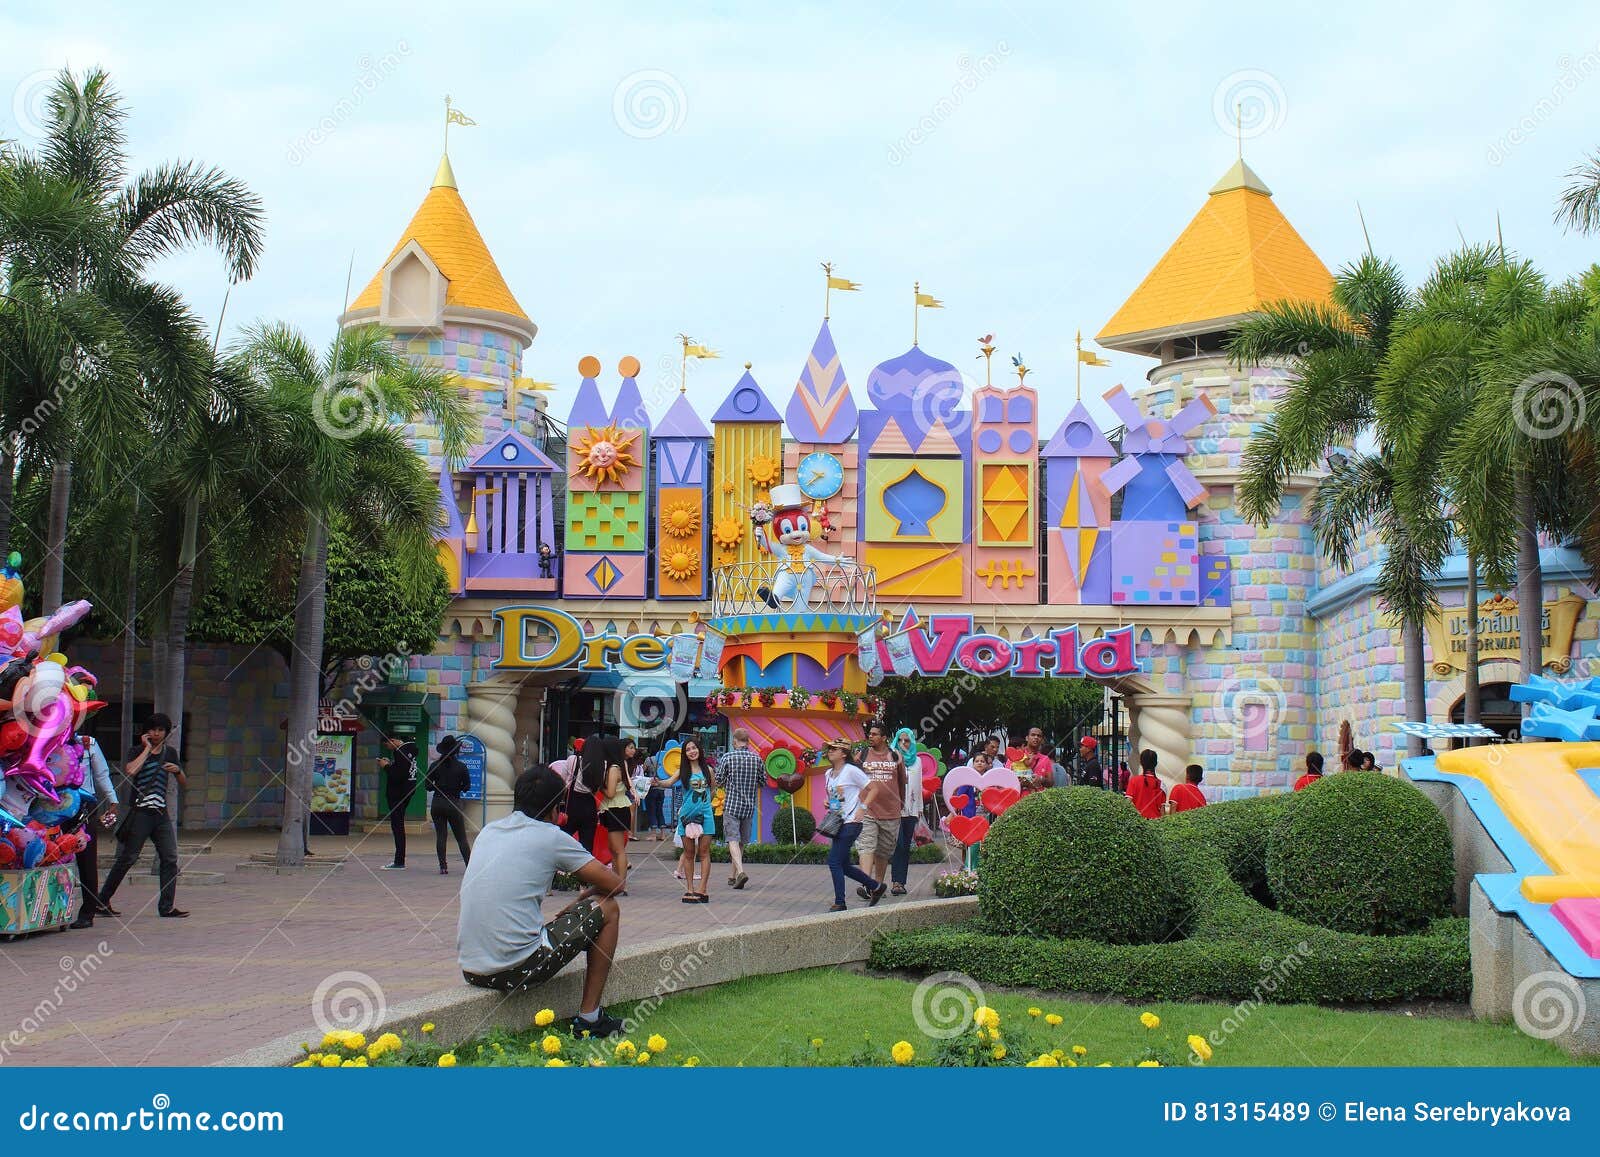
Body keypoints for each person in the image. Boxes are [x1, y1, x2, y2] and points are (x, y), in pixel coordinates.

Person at [457, 766, 625, 1037]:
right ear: (554, 809)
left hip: (472, 970)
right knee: (608, 908)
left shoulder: (488, 831)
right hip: (519, 969)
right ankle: (590, 1018)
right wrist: (585, 896)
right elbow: (616, 884)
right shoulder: (551, 836)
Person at [99, 713, 188, 918]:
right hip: (141, 813)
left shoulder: (170, 753)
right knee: (128, 858)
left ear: (166, 733)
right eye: (153, 730)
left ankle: (166, 907)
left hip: (161, 814)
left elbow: (184, 783)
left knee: (170, 857)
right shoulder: (137, 751)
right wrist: (147, 749)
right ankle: (102, 901)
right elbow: (131, 770)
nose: (156, 734)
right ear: (146, 732)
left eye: (160, 730)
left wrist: (177, 772)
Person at [67, 736, 119, 929]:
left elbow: (101, 774)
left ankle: (88, 912)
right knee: (53, 856)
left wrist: (112, 800)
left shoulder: (89, 743)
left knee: (87, 859)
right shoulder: (48, 740)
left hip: (84, 804)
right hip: (53, 803)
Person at [822, 739, 878, 911]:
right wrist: (829, 803)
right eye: (829, 748)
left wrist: (863, 807)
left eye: (834, 749)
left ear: (844, 753)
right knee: (843, 865)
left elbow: (874, 789)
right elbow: (836, 798)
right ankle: (876, 886)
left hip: (852, 822)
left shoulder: (851, 771)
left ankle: (840, 902)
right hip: (838, 822)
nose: (830, 751)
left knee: (834, 862)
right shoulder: (828, 774)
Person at [856, 721, 905, 902]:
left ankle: (877, 885)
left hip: (891, 812)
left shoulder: (895, 756)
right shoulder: (862, 755)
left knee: (883, 852)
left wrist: (902, 803)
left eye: (875, 734)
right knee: (866, 847)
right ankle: (866, 883)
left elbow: (901, 782)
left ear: (884, 738)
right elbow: (852, 775)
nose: (871, 736)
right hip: (867, 811)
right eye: (870, 733)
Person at [717, 728, 763, 890]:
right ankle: (733, 876)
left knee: (732, 840)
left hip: (732, 805)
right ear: (748, 742)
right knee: (741, 841)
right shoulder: (756, 759)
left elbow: (719, 780)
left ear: (735, 741)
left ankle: (741, 872)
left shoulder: (727, 757)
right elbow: (762, 782)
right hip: (749, 807)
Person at [428, 735, 473, 875]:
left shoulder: (435, 765)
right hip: (453, 802)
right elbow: (467, 786)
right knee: (461, 837)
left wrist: (438, 787)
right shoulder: (461, 767)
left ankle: (443, 866)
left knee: (441, 835)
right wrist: (457, 788)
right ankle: (469, 866)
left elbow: (427, 786)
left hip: (437, 802)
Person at [888, 733, 925, 897]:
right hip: (894, 810)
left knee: (904, 848)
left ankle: (900, 882)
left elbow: (919, 785)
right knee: (898, 845)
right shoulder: (891, 759)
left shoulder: (918, 761)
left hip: (911, 810)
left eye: (907, 740)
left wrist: (920, 809)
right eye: (901, 740)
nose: (904, 743)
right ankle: (893, 881)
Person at [597, 736, 633, 893]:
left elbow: (610, 793)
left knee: (617, 849)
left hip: (616, 808)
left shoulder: (613, 768)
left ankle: (620, 884)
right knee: (614, 848)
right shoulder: (618, 766)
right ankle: (617, 881)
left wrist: (599, 787)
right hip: (615, 808)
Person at [377, 735, 418, 870]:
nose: (387, 748)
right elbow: (404, 770)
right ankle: (399, 859)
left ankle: (399, 861)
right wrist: (391, 764)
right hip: (407, 791)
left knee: (398, 827)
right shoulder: (410, 751)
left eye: (387, 745)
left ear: (393, 740)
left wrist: (386, 767)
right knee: (398, 826)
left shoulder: (401, 752)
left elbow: (397, 775)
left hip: (398, 794)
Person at [675, 767, 716, 903]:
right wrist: (657, 782)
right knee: (688, 853)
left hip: (706, 816)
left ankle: (702, 889)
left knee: (704, 852)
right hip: (686, 816)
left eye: (694, 748)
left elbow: (713, 789)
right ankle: (690, 889)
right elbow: (668, 782)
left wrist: (704, 805)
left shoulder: (707, 770)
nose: (692, 751)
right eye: (688, 749)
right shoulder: (683, 771)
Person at [562, 732, 605, 855]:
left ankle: (564, 871)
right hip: (590, 805)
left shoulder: (573, 760)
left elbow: (563, 782)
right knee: (587, 846)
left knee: (565, 840)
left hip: (573, 805)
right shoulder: (603, 765)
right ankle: (584, 871)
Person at [1125, 749, 1167, 819]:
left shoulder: (1134, 781)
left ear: (1141, 763)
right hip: (1156, 823)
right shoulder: (1162, 784)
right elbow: (1162, 810)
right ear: (1156, 763)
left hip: (1139, 822)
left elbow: (1127, 803)